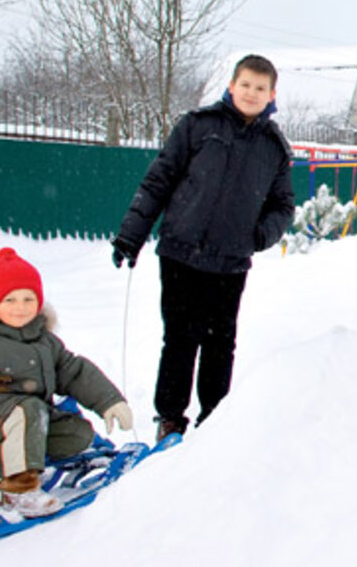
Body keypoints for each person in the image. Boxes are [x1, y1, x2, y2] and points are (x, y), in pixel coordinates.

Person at [111, 54, 295, 443]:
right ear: (231, 86)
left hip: (230, 263)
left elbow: (283, 205)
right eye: (245, 84)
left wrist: (259, 236)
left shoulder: (274, 148)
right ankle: (170, 418)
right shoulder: (198, 126)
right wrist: (132, 235)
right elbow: (159, 180)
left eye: (260, 88)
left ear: (272, 95)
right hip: (181, 254)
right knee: (179, 338)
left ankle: (214, 418)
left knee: (220, 344)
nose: (251, 93)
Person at [0, 247, 134, 519]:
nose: (20, 307)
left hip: (30, 422)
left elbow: (73, 371)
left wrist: (110, 401)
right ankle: (18, 492)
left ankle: (31, 462)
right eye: (10, 300)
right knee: (28, 409)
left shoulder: (44, 341)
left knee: (76, 432)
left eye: (28, 298)